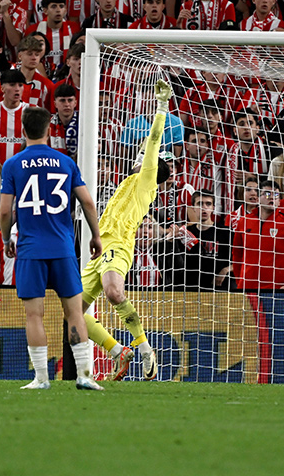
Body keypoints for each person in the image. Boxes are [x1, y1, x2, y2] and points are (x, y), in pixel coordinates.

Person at [0, 105, 104, 390]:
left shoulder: (13, 164)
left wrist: (7, 236)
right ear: (49, 130)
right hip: (63, 248)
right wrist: (96, 236)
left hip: (31, 249)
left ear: (23, 130)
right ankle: (84, 375)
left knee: (34, 314)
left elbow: (6, 211)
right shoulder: (66, 162)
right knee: (74, 312)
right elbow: (88, 203)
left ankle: (41, 379)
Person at [78, 79, 172, 381]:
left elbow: (154, 140)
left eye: (146, 155)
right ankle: (119, 351)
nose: (141, 153)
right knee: (73, 311)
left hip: (118, 244)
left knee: (114, 292)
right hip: (100, 249)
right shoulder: (127, 182)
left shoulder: (146, 180)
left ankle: (144, 349)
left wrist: (160, 108)